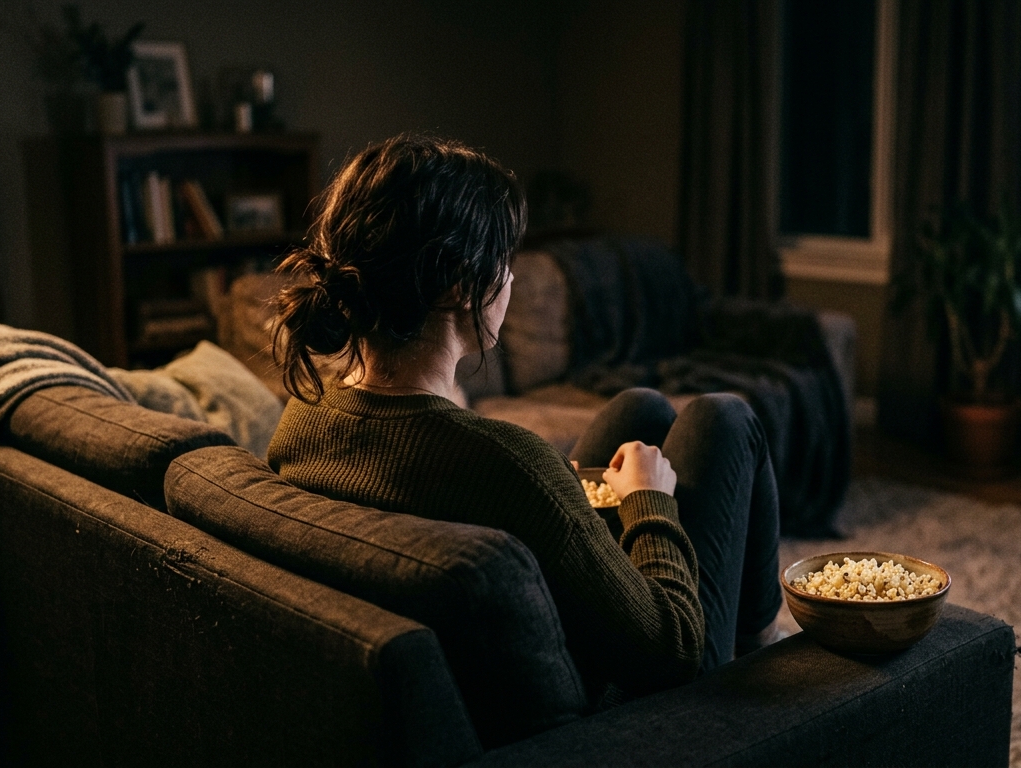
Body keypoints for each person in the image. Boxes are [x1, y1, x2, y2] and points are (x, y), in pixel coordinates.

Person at [268, 134, 782, 703]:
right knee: (725, 417)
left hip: (511, 634)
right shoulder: (511, 465)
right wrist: (649, 503)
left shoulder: (303, 421)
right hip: (641, 695)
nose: (510, 279)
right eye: (505, 262)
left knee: (641, 408)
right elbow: (675, 650)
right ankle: (759, 650)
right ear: (462, 288)